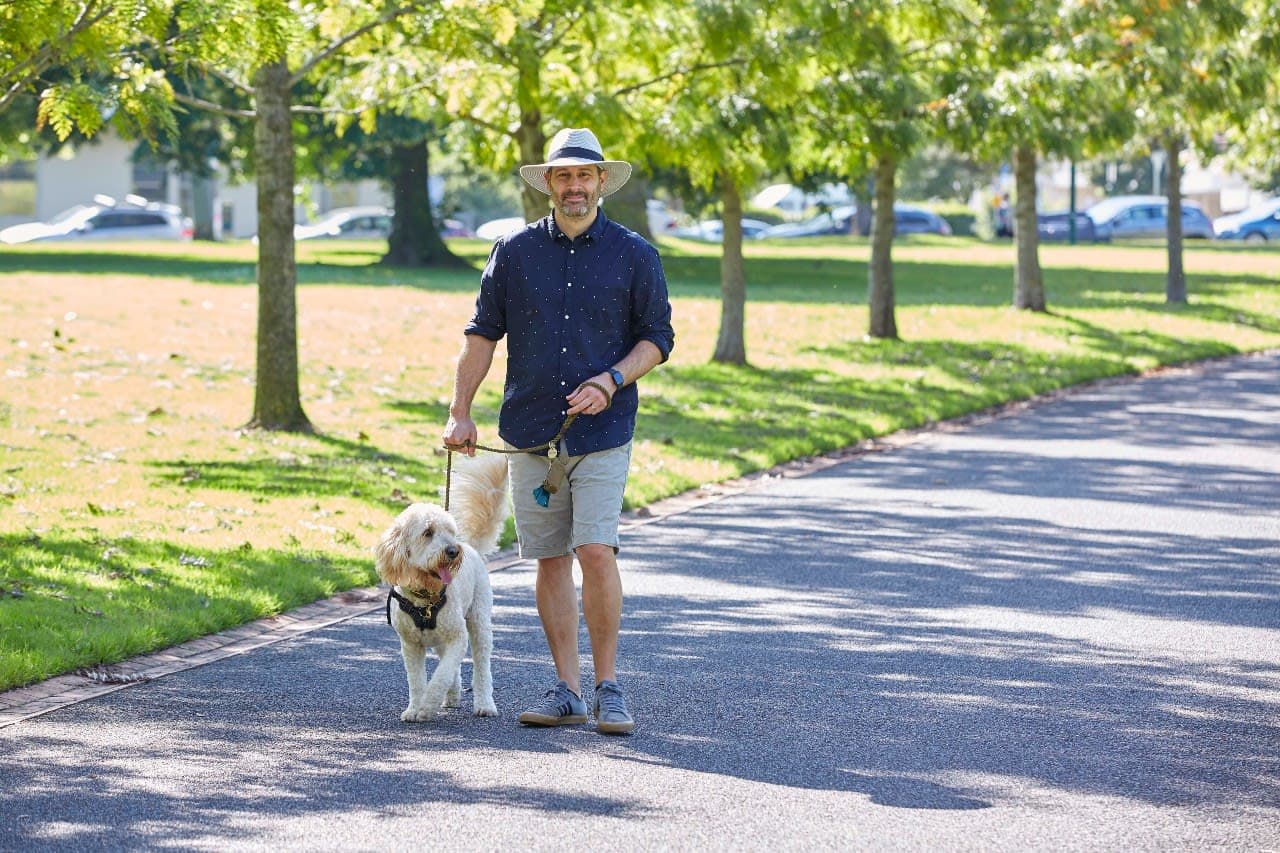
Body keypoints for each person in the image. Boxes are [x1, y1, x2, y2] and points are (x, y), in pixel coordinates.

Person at [442, 127, 674, 735]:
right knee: (548, 558)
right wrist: (459, 410)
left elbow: (657, 339)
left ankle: (609, 688)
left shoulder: (635, 254)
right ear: (548, 183)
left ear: (602, 181)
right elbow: (481, 335)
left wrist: (612, 380)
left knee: (594, 550)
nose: (574, 186)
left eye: (584, 175)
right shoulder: (513, 253)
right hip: (529, 430)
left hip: (603, 430)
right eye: (563, 175)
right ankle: (567, 689)